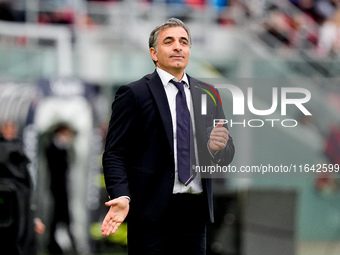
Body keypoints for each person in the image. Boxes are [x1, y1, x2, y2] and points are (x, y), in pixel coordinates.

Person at [101, 18, 235, 255]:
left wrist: (217, 149)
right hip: (150, 213)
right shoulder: (134, 94)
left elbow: (225, 152)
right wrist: (121, 194)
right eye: (169, 41)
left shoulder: (208, 93)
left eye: (184, 42)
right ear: (154, 53)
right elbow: (115, 153)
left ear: (189, 51)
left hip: (194, 213)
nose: (178, 47)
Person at [0, 121, 45, 255]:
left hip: (19, 218)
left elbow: (26, 194)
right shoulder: (17, 154)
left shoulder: (19, 154)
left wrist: (31, 219)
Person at [45, 123, 77, 254]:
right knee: (58, 217)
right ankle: (54, 245)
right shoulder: (53, 149)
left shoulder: (62, 149)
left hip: (62, 189)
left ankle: (61, 244)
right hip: (57, 189)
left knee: (62, 217)